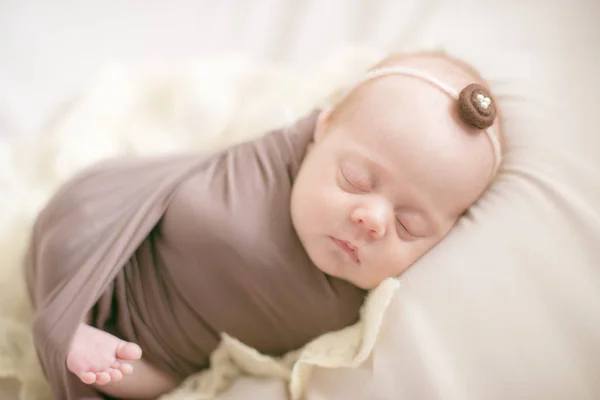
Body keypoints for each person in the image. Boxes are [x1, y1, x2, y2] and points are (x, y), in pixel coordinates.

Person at [24, 51, 503, 399]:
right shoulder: (280, 157)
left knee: (151, 381)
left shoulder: (377, 301)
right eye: (356, 179)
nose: (372, 220)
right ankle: (71, 312)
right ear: (322, 130)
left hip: (163, 349)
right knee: (78, 227)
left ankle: (81, 343)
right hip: (127, 241)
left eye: (409, 225)